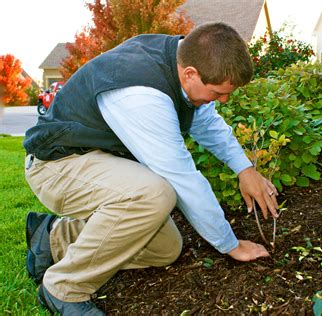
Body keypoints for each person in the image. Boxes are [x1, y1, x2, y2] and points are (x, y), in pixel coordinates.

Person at [23, 22, 279, 314]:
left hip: (97, 159)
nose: (223, 100)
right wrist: (230, 244)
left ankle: (53, 237)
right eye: (218, 93)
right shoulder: (141, 93)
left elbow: (206, 122)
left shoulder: (182, 59)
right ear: (190, 74)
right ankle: (63, 287)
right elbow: (182, 178)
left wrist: (245, 169)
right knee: (155, 195)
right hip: (57, 165)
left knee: (165, 249)